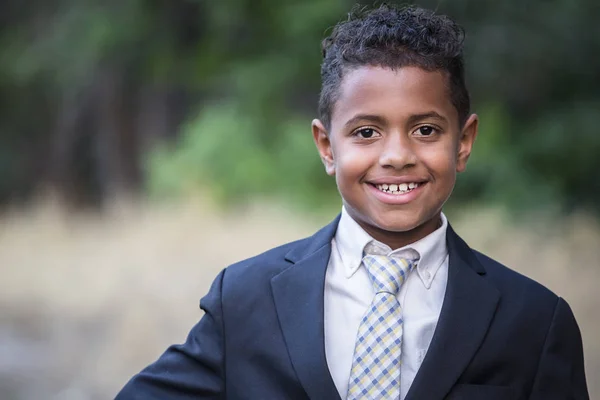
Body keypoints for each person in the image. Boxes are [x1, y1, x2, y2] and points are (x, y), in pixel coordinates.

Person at [116, 4, 589, 399]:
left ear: (463, 142)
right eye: (366, 132)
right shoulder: (245, 298)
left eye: (426, 130)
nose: (398, 155)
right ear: (327, 147)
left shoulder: (534, 322)